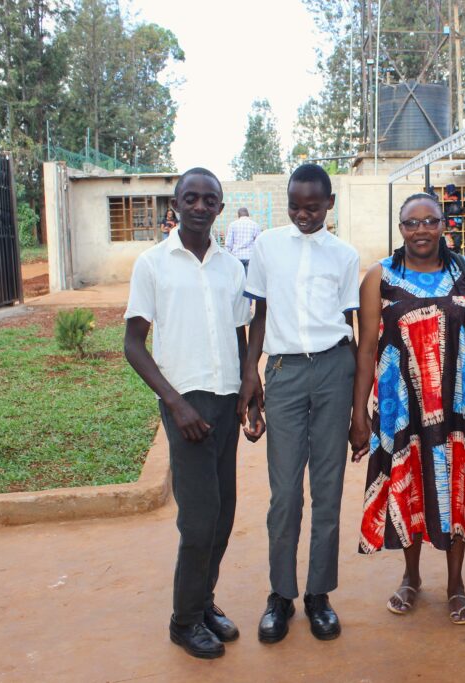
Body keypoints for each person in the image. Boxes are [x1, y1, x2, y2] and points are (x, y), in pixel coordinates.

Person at [123, 167, 264, 660]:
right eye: (192, 198)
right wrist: (176, 403)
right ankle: (183, 622)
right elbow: (133, 345)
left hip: (227, 400)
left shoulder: (231, 267)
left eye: (210, 200)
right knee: (200, 519)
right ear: (176, 205)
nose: (201, 206)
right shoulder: (153, 264)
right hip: (187, 407)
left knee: (223, 516)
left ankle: (202, 604)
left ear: (221, 208)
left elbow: (240, 333)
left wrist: (252, 382)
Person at [350, 192, 465, 626]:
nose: (421, 231)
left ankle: (456, 585)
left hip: (457, 408)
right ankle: (410, 577)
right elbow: (366, 351)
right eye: (411, 223)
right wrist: (360, 413)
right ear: (400, 229)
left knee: (454, 485)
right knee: (408, 483)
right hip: (402, 409)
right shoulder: (381, 276)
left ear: (443, 224)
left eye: (429, 221)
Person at [239, 164, 360, 643]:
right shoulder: (267, 246)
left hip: (334, 370)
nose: (302, 215)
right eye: (294, 205)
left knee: (327, 490)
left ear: (329, 204)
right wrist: (252, 375)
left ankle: (318, 595)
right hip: (285, 373)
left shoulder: (345, 256)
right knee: (285, 493)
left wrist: (358, 406)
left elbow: (354, 327)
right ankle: (280, 594)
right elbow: (260, 315)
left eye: (312, 206)